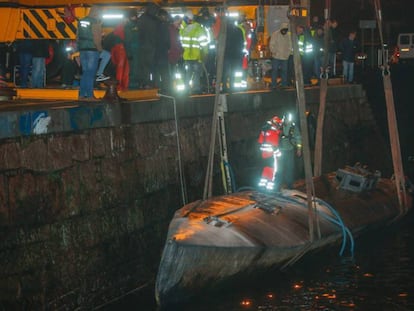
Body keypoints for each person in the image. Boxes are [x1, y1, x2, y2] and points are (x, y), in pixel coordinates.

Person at [258, 114, 302, 191]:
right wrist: (278, 153)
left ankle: (289, 185)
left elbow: (298, 138)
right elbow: (273, 142)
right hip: (279, 151)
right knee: (277, 169)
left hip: (289, 150)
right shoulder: (277, 128)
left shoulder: (293, 127)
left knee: (289, 168)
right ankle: (276, 186)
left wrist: (299, 149)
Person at [77, 5, 103, 100]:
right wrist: (100, 49)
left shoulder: (81, 21)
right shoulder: (95, 22)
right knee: (90, 73)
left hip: (83, 49)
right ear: (96, 12)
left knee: (85, 72)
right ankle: (90, 95)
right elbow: (97, 38)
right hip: (92, 49)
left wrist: (78, 49)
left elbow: (78, 36)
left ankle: (81, 95)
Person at [180, 10, 209, 94]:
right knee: (196, 74)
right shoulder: (199, 29)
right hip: (197, 56)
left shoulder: (184, 30)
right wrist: (206, 53)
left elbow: (180, 43)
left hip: (186, 56)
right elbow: (204, 44)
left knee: (188, 74)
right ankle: (196, 89)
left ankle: (186, 89)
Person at [258, 115, 283, 191]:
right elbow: (275, 147)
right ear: (276, 124)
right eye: (279, 125)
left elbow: (260, 142)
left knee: (265, 172)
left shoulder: (264, 131)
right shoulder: (274, 133)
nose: (279, 126)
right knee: (272, 173)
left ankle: (262, 188)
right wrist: (279, 155)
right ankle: (270, 190)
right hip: (272, 156)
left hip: (263, 155)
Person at [222, 18, 244, 92]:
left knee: (226, 72)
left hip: (226, 55)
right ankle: (235, 87)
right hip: (236, 55)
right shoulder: (238, 30)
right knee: (236, 72)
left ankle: (225, 86)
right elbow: (242, 43)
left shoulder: (224, 31)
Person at [269, 22, 292, 88]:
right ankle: (274, 84)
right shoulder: (275, 34)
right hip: (276, 56)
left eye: (286, 30)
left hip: (284, 57)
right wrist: (274, 52)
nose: (284, 31)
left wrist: (288, 53)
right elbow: (271, 44)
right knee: (275, 71)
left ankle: (284, 84)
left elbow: (290, 45)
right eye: (283, 30)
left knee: (284, 71)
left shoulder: (288, 36)